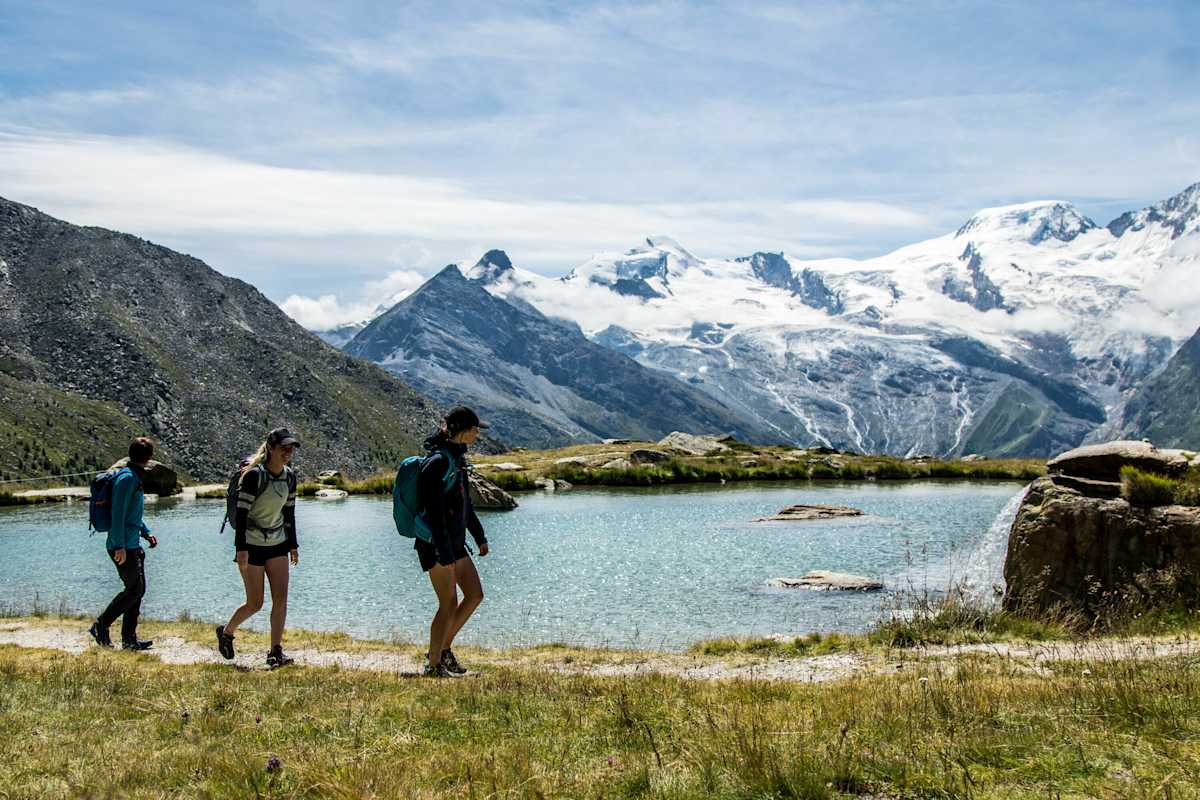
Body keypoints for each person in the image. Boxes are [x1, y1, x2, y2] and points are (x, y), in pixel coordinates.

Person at [214, 428, 300, 668]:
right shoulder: (254, 476)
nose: (288, 452)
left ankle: (275, 652)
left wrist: (293, 544)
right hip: (251, 547)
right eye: (283, 447)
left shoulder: (290, 477)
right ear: (271, 448)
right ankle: (227, 633)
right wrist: (241, 550)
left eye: (291, 448)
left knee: (280, 599)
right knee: (255, 603)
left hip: (278, 544)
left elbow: (289, 513)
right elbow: (241, 516)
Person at [417, 406, 490, 677]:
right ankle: (433, 664)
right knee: (448, 603)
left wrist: (479, 536)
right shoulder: (436, 462)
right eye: (474, 429)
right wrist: (444, 552)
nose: (477, 434)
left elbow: (465, 506)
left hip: (455, 544)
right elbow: (434, 514)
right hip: (436, 545)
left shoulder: (456, 460)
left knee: (474, 595)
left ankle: (442, 651)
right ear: (462, 430)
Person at [89, 437, 158, 650]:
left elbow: (131, 513)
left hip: (132, 542)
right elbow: (117, 513)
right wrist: (119, 545)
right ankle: (101, 626)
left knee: (137, 590)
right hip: (123, 545)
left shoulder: (132, 476)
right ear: (148, 458)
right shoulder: (127, 479)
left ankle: (129, 639)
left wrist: (146, 532)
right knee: (134, 589)